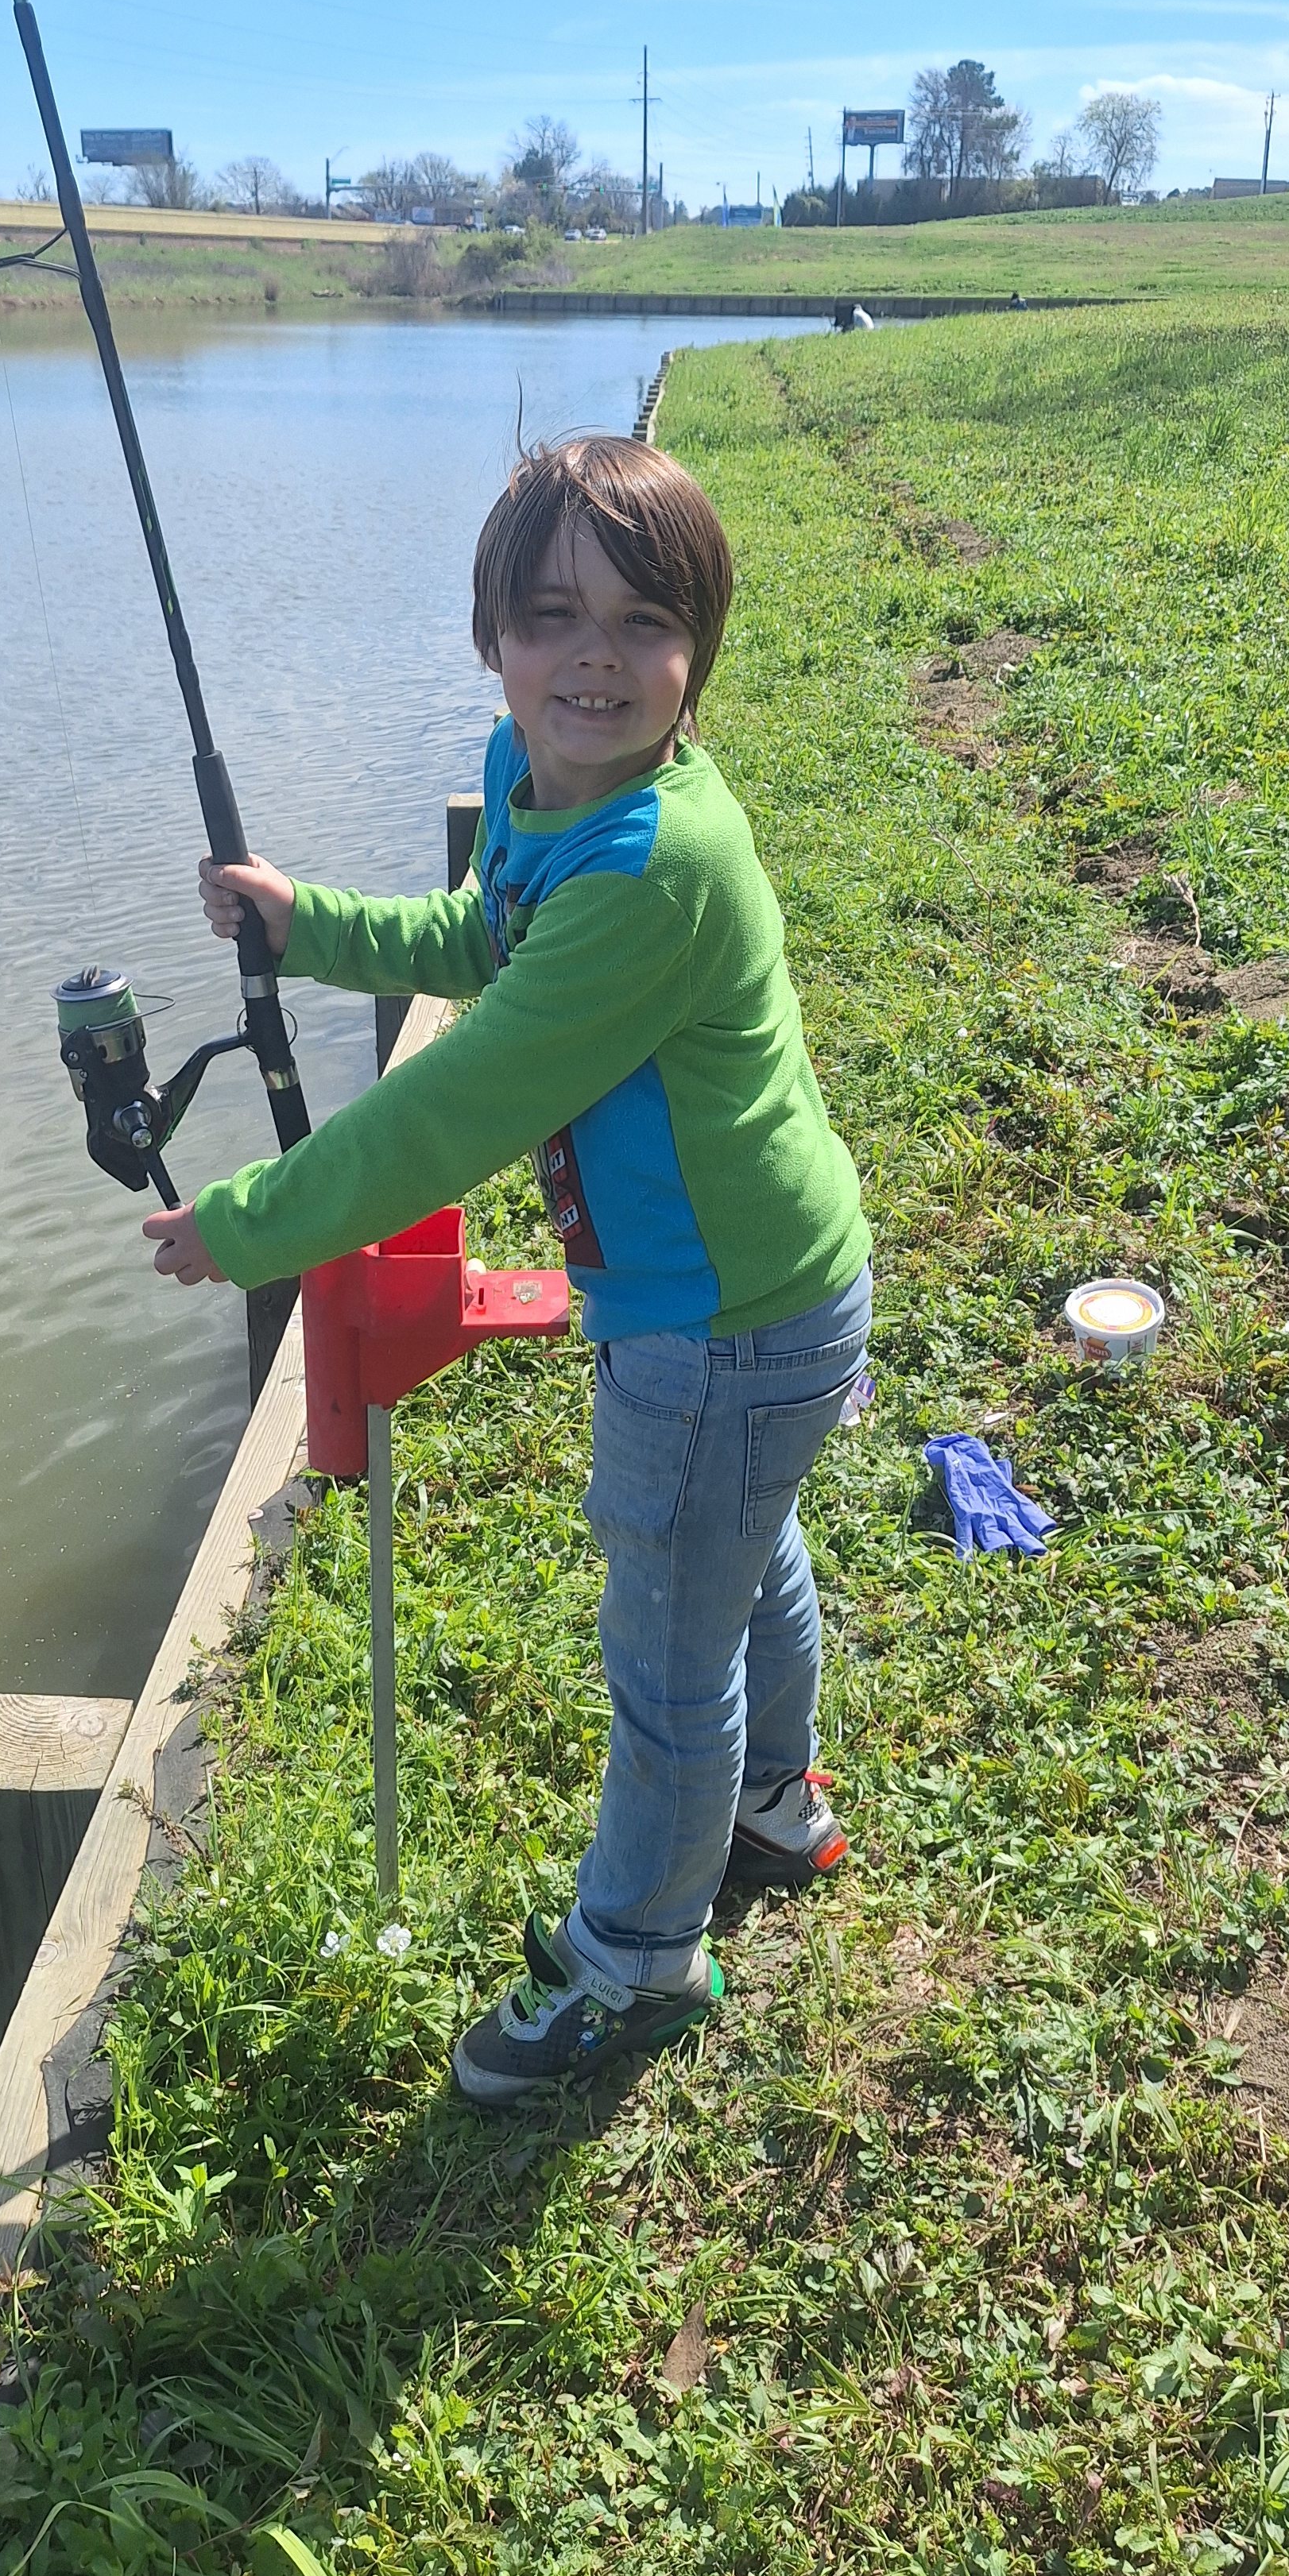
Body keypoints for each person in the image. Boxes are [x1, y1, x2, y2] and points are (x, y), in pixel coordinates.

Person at [141, 435, 872, 2108]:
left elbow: (445, 1114)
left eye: (644, 623)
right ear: (493, 640)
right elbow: (481, 939)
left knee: (669, 1654)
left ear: (700, 656)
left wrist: (246, 1226)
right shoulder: (556, 789)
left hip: (720, 1323)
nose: (594, 657)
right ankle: (777, 1804)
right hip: (767, 1288)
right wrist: (305, 922)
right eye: (552, 618)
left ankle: (636, 1964)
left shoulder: (649, 868)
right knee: (742, 1561)